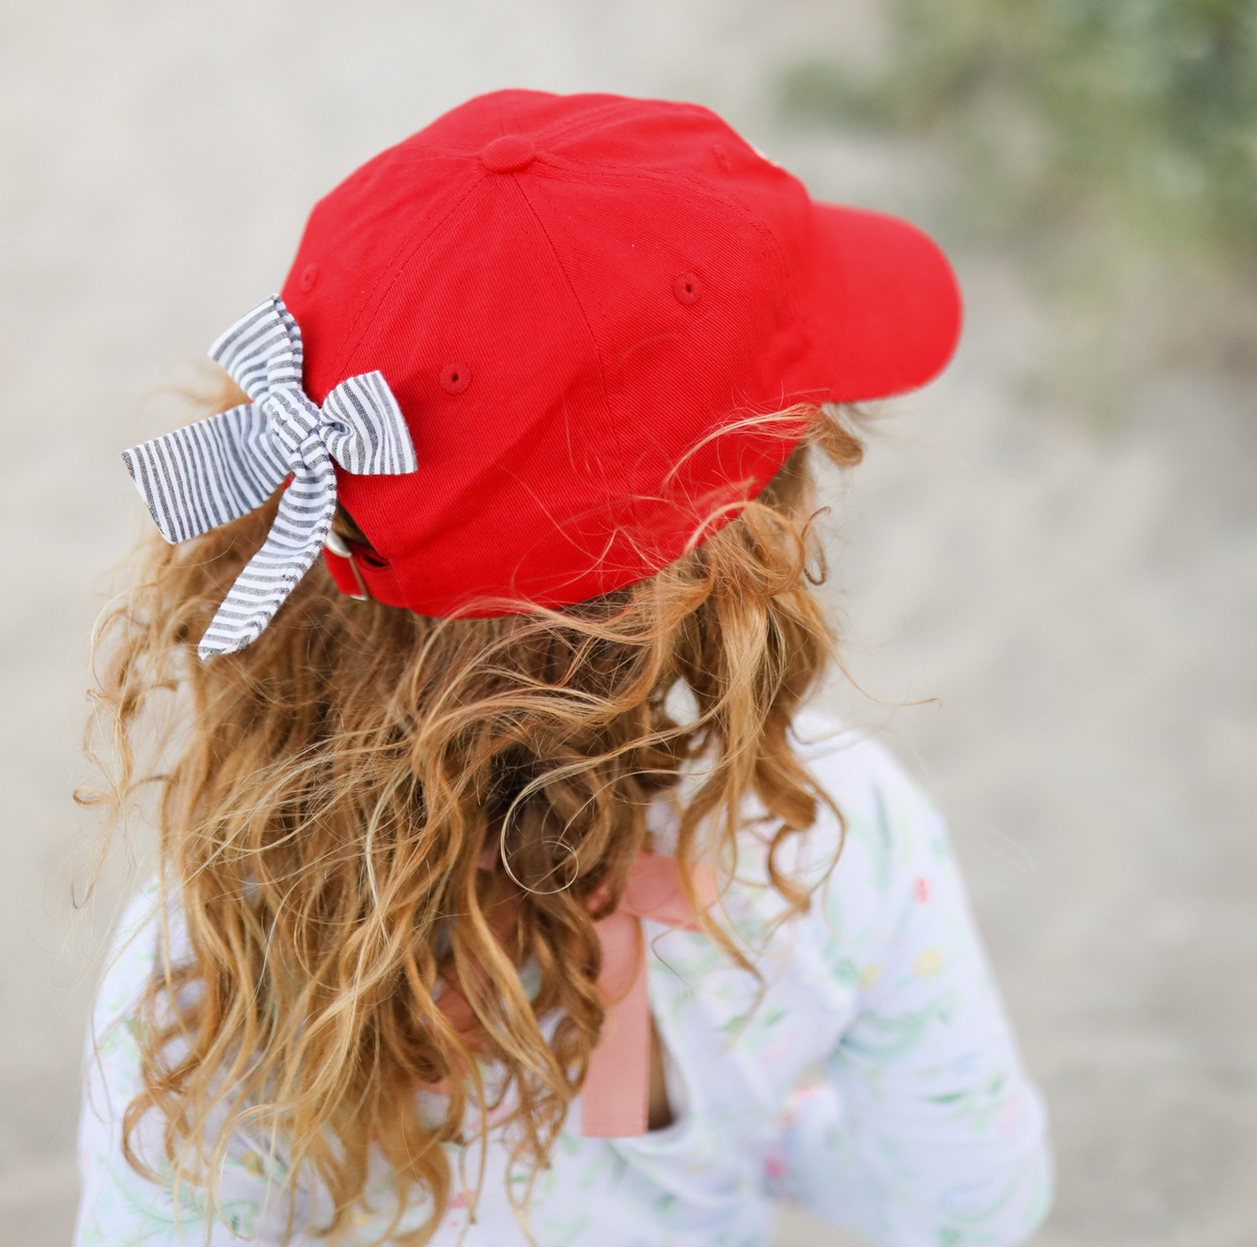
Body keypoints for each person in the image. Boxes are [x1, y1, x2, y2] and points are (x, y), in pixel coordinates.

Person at [75, 90, 1052, 1247]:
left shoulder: (216, 952)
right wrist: (763, 1133)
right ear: (734, 561)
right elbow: (966, 1202)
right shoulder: (832, 837)